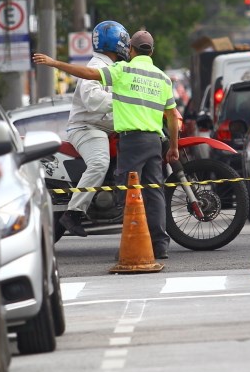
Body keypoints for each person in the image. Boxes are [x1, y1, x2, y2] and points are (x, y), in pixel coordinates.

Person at [33, 30, 179, 259]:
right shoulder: (154, 75)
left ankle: (148, 244)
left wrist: (55, 63)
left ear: (131, 48)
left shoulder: (123, 69)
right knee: (139, 185)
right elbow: (91, 94)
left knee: (134, 192)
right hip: (91, 128)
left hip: (123, 134)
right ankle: (74, 213)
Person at [58, 20, 131, 238]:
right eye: (124, 41)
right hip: (87, 128)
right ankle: (73, 213)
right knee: (99, 163)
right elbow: (92, 100)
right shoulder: (96, 67)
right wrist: (124, 100)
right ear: (116, 43)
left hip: (104, 128)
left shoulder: (113, 68)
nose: (127, 46)